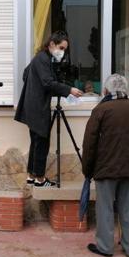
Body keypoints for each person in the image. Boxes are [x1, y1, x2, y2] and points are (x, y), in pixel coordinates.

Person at [82, 74, 129, 257]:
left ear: (105, 90)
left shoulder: (101, 110)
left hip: (105, 169)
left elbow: (89, 143)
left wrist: (87, 169)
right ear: (125, 90)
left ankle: (105, 247)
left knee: (105, 210)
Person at [15, 31, 83, 187]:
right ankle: (40, 179)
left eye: (65, 49)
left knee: (36, 142)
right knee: (42, 143)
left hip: (33, 105)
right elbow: (47, 82)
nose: (63, 52)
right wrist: (69, 90)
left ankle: (31, 175)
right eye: (61, 47)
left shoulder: (40, 59)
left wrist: (37, 86)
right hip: (37, 107)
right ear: (52, 44)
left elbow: (26, 74)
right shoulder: (42, 59)